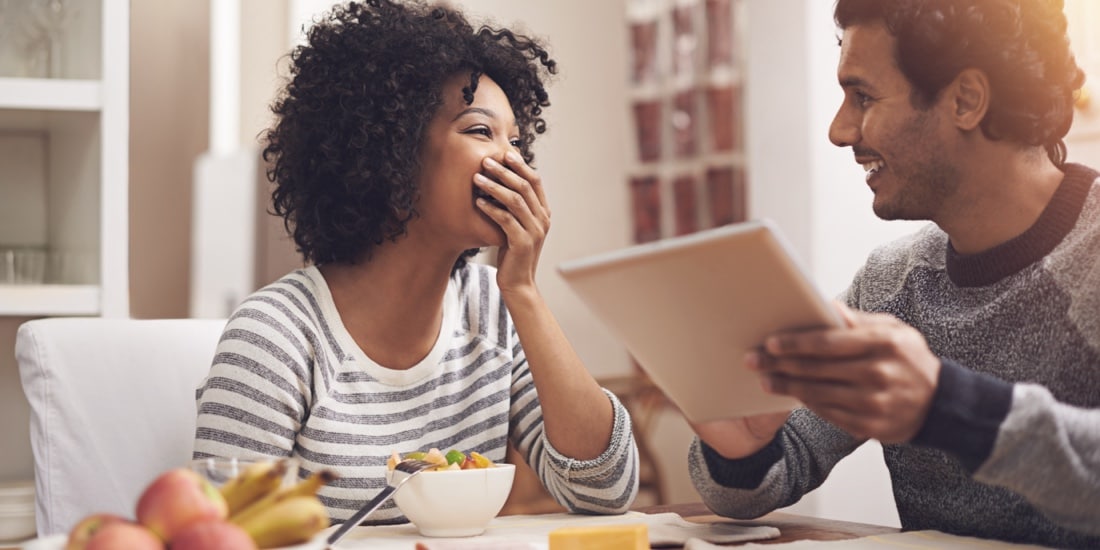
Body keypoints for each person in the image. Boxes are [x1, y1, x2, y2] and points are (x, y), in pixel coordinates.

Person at [192, 0, 639, 525]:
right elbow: (221, 535)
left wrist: (524, 292)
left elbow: (605, 492)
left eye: (516, 141)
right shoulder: (275, 334)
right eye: (480, 131)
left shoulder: (494, 310)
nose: (514, 161)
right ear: (392, 154)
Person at [687, 0, 1100, 547]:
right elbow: (754, 492)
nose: (839, 131)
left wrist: (946, 406)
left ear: (966, 100)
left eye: (863, 96)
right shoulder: (892, 282)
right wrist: (741, 446)